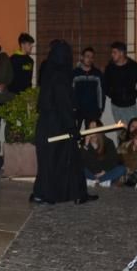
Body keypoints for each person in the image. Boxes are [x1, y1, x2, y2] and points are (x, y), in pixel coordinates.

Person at [31, 41, 95, 203]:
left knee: (48, 162)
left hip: (46, 125)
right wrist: (71, 127)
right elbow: (63, 104)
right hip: (58, 127)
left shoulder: (49, 72)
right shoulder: (60, 76)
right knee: (67, 160)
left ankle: (43, 193)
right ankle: (73, 194)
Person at [103, 41, 137, 124]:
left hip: (130, 105)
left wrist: (133, 95)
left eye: (114, 52)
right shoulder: (109, 68)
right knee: (120, 132)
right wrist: (113, 95)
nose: (112, 54)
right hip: (116, 106)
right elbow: (105, 85)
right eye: (112, 52)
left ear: (122, 53)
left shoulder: (134, 66)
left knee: (133, 130)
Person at [81, 120, 125, 187]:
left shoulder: (108, 142)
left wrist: (104, 171)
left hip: (104, 173)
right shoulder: (84, 143)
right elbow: (81, 160)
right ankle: (103, 182)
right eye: (89, 127)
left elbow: (113, 160)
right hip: (91, 173)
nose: (91, 130)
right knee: (78, 166)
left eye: (94, 127)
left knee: (121, 169)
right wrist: (86, 145)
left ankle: (96, 181)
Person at [72, 46, 104, 129]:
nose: (90, 59)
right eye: (87, 56)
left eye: (92, 57)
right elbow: (71, 92)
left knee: (91, 135)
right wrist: (72, 108)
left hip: (92, 111)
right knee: (75, 134)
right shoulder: (75, 74)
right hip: (77, 110)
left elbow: (101, 92)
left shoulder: (97, 74)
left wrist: (100, 109)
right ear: (82, 57)